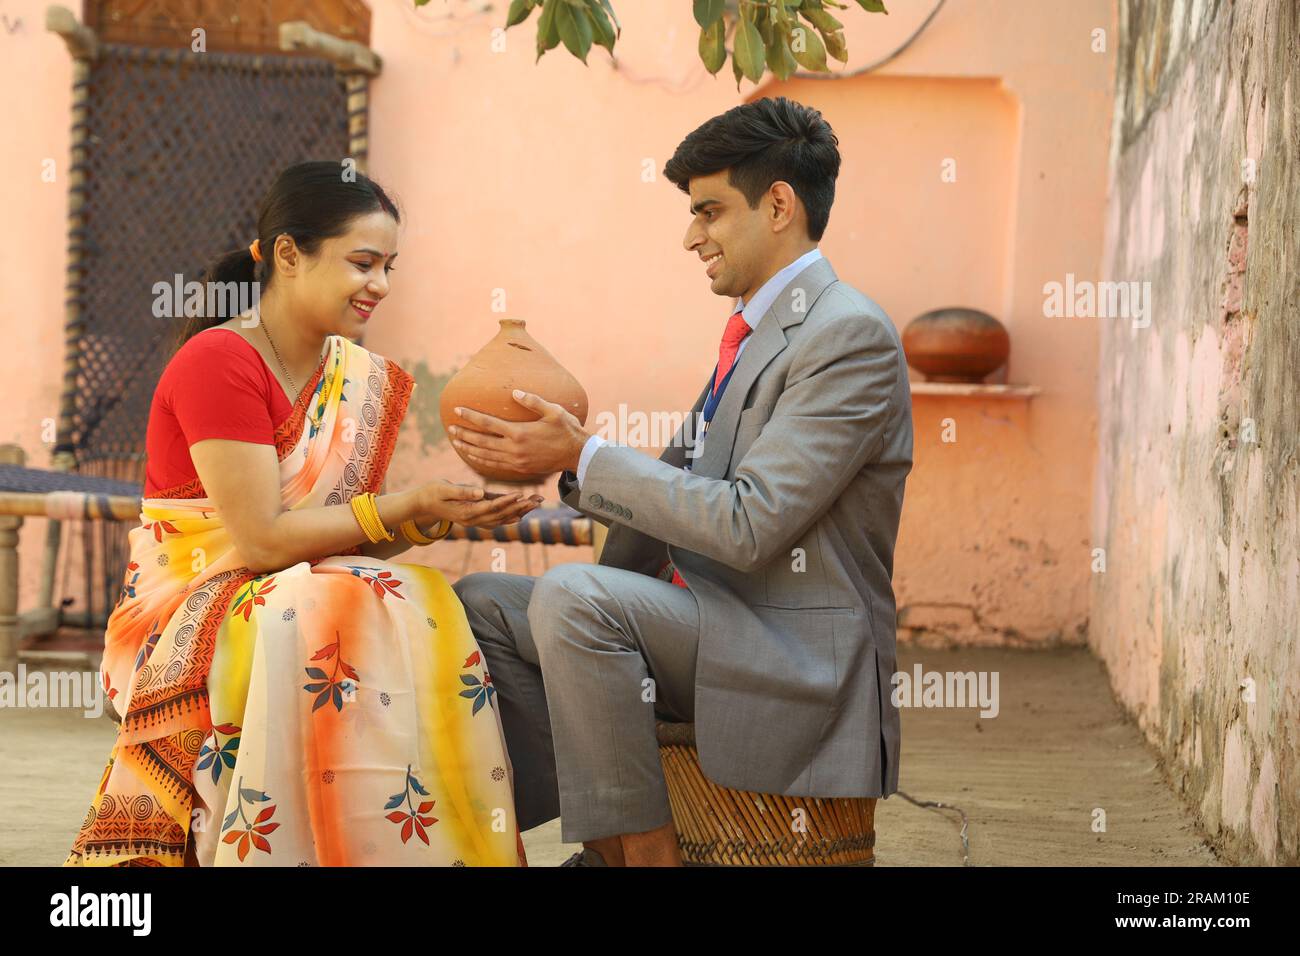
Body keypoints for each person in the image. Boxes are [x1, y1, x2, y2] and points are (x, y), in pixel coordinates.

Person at [451, 97, 913, 866]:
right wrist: (557, 465)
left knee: (575, 598)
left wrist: (586, 455)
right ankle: (607, 842)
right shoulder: (757, 329)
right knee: (486, 605)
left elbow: (748, 523)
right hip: (712, 622)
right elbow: (680, 483)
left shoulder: (846, 335)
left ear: (777, 204)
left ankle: (647, 858)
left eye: (708, 210)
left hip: (793, 652)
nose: (690, 235)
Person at [65, 161, 542, 867]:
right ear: (288, 254)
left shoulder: (354, 377)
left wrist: (431, 520)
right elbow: (261, 541)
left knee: (409, 592)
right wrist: (397, 508)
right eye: (362, 262)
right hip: (185, 611)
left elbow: (341, 545)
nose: (379, 284)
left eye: (389, 265)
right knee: (324, 603)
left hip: (291, 588)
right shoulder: (219, 361)